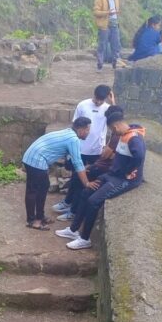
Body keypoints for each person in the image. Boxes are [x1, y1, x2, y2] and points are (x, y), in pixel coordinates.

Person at [55, 115, 146, 249]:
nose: (113, 133)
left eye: (112, 130)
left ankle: (85, 238)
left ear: (115, 127)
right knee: (86, 192)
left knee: (94, 201)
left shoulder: (134, 138)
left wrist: (130, 171)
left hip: (124, 180)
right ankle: (73, 230)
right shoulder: (125, 133)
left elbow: (139, 156)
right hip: (112, 175)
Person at [21, 118, 96, 230]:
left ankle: (37, 217)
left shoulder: (68, 132)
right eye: (87, 130)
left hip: (30, 156)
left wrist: (82, 169)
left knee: (37, 188)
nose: (88, 133)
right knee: (39, 189)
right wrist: (86, 183)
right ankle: (35, 221)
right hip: (37, 160)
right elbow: (77, 162)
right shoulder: (73, 139)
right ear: (81, 129)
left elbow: (72, 162)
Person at [55, 104, 124, 220]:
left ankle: (72, 211)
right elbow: (107, 153)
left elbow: (106, 154)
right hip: (100, 164)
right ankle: (70, 205)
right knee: (78, 177)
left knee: (81, 180)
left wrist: (108, 152)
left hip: (104, 168)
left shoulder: (117, 135)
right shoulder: (116, 132)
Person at [52, 85, 114, 216]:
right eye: (97, 99)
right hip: (79, 148)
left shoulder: (108, 109)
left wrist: (112, 101)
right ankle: (68, 203)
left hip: (96, 151)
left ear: (107, 97)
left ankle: (74, 209)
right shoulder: (83, 105)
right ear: (94, 95)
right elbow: (75, 125)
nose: (98, 102)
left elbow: (117, 117)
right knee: (76, 178)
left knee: (88, 180)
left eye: (101, 100)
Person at [93, 0, 125, 71]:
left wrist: (116, 13)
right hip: (104, 25)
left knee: (116, 45)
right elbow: (95, 12)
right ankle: (100, 64)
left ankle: (115, 63)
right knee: (102, 45)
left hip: (115, 24)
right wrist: (107, 13)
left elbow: (115, 11)